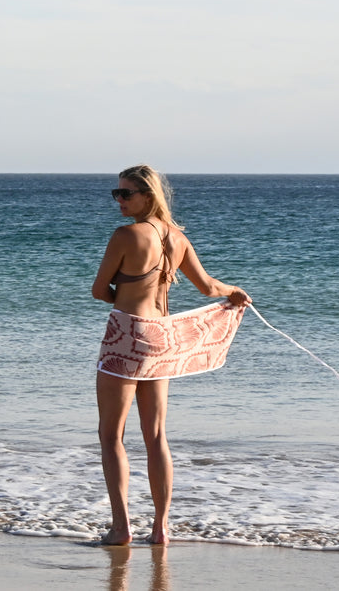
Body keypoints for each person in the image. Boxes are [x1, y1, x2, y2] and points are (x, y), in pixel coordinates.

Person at [91, 164, 251, 546]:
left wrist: (123, 301)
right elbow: (209, 286)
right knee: (157, 434)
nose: (119, 201)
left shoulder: (125, 236)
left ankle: (121, 529)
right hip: (163, 337)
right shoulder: (177, 238)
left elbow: (99, 290)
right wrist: (235, 291)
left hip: (127, 333)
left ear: (148, 194)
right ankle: (161, 529)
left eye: (126, 194)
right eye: (116, 194)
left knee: (111, 434)